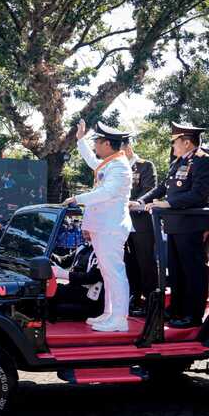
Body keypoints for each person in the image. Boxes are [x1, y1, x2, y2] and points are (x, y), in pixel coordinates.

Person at [135, 122, 209, 328]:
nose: (173, 146)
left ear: (187, 142)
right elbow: (162, 187)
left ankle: (193, 314)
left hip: (191, 225)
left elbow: (199, 194)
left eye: (175, 142)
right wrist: (141, 201)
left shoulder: (203, 161)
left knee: (193, 271)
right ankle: (177, 309)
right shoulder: (177, 162)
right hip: (174, 225)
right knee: (177, 271)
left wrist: (169, 203)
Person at [63, 120, 133, 332]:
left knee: (115, 273)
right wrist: (80, 140)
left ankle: (120, 318)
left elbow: (107, 193)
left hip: (111, 228)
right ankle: (109, 313)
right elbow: (92, 161)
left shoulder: (120, 167)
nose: (96, 146)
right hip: (104, 227)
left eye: (97, 142)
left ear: (107, 144)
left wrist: (78, 198)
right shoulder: (110, 164)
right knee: (108, 273)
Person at [123, 139, 157, 311]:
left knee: (145, 262)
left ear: (128, 148)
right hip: (122, 223)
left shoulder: (145, 166)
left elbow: (150, 189)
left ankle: (151, 300)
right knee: (129, 262)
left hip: (140, 220)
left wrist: (134, 202)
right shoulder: (117, 167)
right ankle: (134, 297)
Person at [51, 230, 105, 320]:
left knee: (52, 296)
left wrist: (63, 274)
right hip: (74, 289)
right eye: (83, 226)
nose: (84, 229)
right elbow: (65, 261)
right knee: (47, 291)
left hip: (89, 296)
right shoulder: (83, 247)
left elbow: (92, 277)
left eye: (88, 226)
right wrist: (50, 255)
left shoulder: (101, 251)